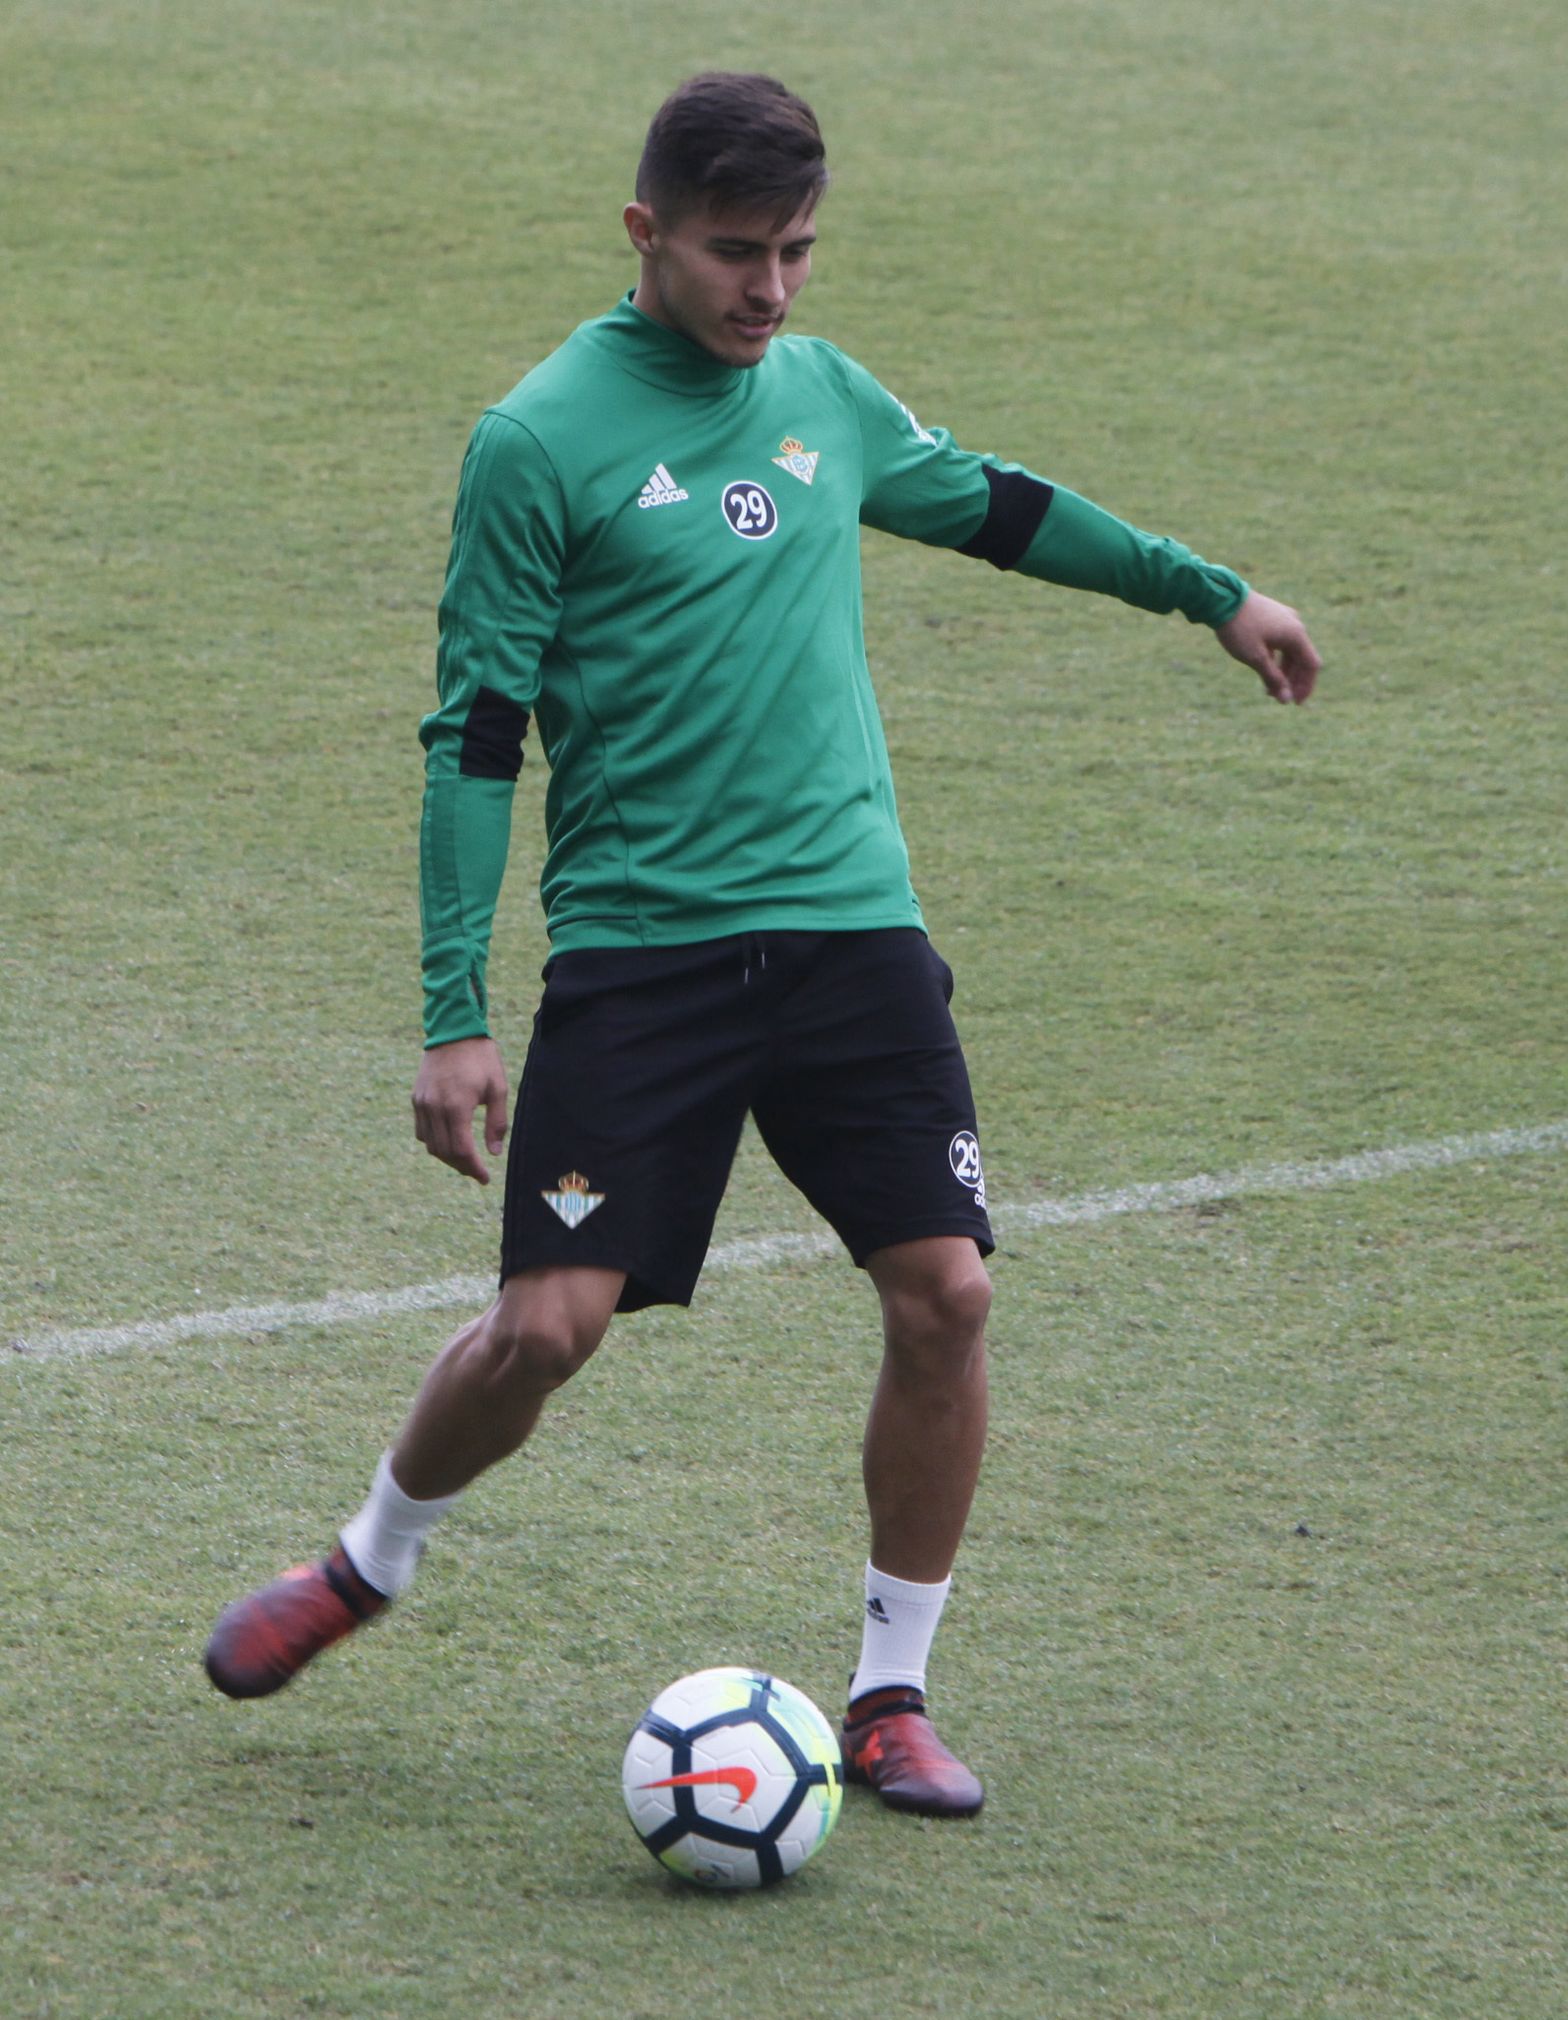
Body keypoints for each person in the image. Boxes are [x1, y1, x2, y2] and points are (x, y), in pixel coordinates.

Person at [204, 72, 1320, 1819]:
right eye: (738, 252)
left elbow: (1000, 506)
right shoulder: (540, 438)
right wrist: (451, 1010)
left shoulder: (818, 391)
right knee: (547, 1329)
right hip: (643, 953)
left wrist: (1209, 591)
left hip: (852, 932)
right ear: (645, 233)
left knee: (947, 1290)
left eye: (799, 251)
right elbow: (475, 733)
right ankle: (367, 1562)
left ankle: (889, 1696)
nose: (774, 290)